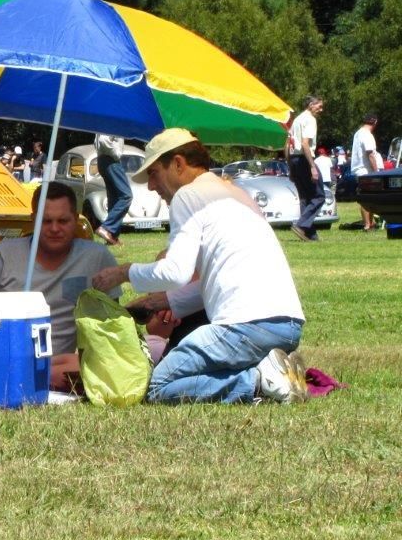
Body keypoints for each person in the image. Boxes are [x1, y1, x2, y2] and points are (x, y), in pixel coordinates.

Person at [92, 128, 308, 404]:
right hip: (286, 326)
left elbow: (175, 272)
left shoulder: (188, 195)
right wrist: (159, 302)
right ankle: (272, 373)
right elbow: (218, 282)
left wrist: (123, 272)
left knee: (159, 386)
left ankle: (258, 381)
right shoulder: (236, 194)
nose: (150, 186)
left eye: (154, 173)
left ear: (179, 164)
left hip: (243, 327)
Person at [0, 182, 119, 382]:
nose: (55, 228)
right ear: (33, 220)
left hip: (66, 363)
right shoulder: (4, 254)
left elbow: (113, 325)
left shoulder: (97, 257)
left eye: (63, 221)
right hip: (10, 360)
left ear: (76, 220)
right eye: (46, 221)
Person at [286, 96, 324, 242]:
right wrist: (313, 167)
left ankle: (309, 233)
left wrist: (290, 166)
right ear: (310, 105)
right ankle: (302, 225)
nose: (321, 110)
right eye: (319, 106)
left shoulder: (296, 120)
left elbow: (287, 144)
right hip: (304, 159)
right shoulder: (310, 119)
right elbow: (305, 143)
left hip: (294, 159)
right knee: (319, 196)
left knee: (305, 197)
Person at [93, 133, 132, 246]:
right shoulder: (115, 121)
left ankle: (112, 236)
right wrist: (116, 154)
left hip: (103, 160)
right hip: (110, 160)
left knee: (114, 197)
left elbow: (97, 142)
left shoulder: (104, 119)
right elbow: (103, 140)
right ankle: (107, 228)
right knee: (126, 195)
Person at [351, 113, 384, 231]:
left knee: (369, 198)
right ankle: (367, 225)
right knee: (366, 199)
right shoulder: (367, 135)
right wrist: (377, 172)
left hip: (359, 170)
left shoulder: (358, 133)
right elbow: (370, 154)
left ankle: (371, 223)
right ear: (375, 122)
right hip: (365, 171)